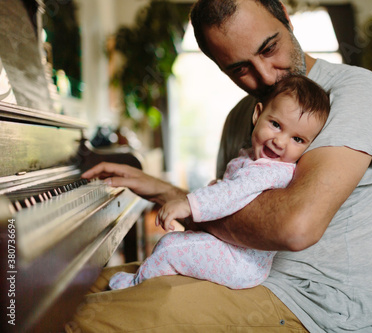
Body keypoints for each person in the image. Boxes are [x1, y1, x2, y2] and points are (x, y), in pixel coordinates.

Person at [68, 0, 372, 332]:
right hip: (241, 276)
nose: (266, 75)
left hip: (313, 310)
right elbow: (229, 224)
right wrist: (165, 191)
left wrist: (181, 199)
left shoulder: (354, 90)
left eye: (269, 48)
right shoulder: (242, 117)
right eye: (240, 68)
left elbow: (294, 228)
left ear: (284, 15)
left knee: (80, 322)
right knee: (71, 293)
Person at [108, 75, 330, 290]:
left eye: (297, 139)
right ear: (258, 114)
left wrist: (188, 203)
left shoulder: (273, 171)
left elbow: (232, 193)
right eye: (276, 125)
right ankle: (155, 281)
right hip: (232, 249)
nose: (280, 141)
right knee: (178, 244)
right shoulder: (254, 158)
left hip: (242, 263)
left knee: (169, 247)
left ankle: (136, 287)